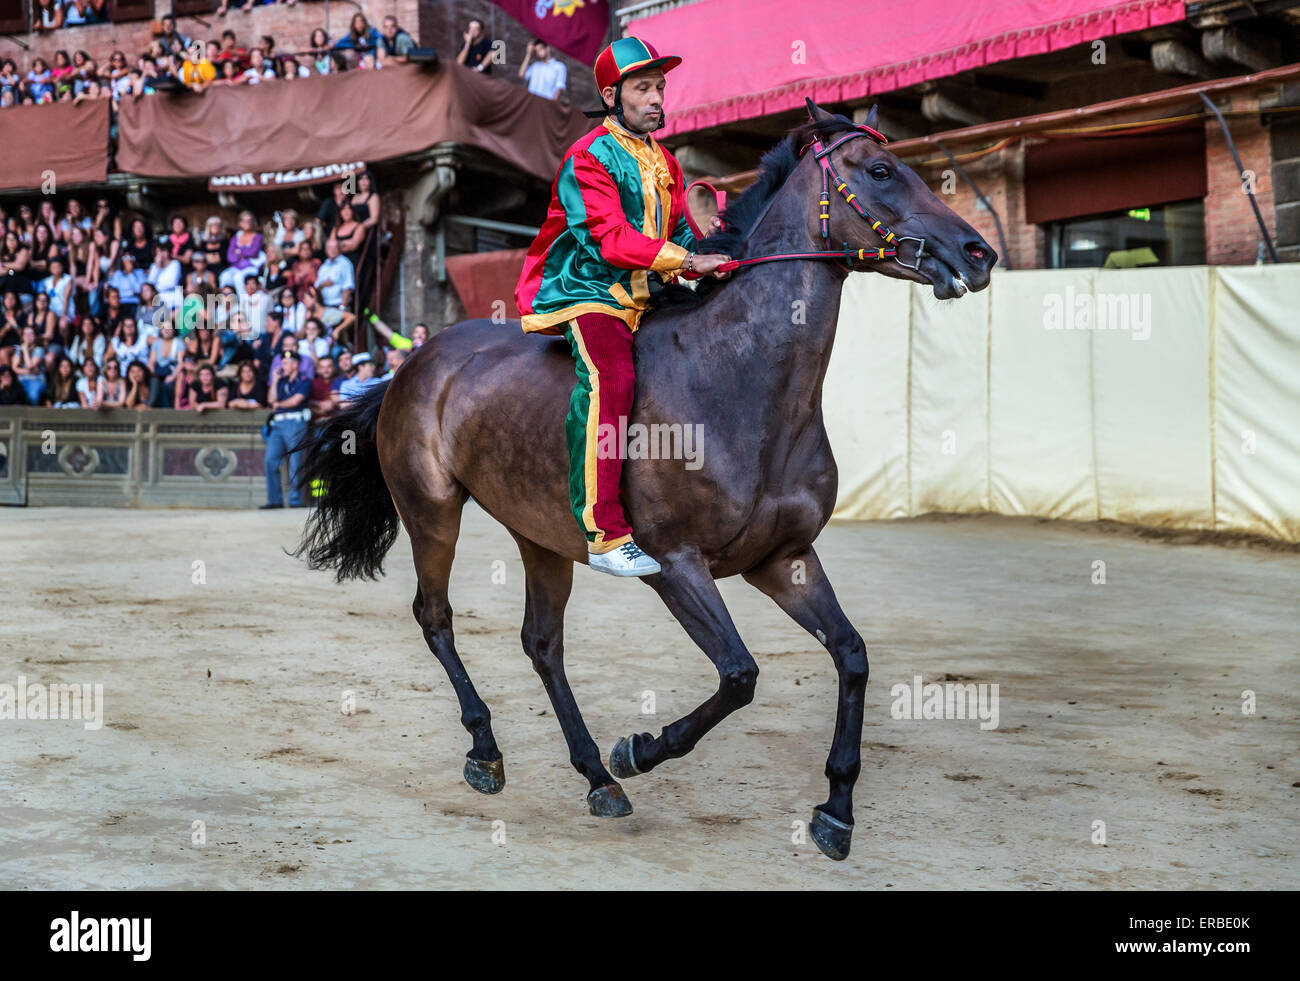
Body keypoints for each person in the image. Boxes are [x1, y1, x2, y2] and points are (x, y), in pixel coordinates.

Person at [514, 37, 731, 576]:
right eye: (644, 88)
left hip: (647, 288)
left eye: (660, 87)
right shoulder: (587, 155)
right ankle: (604, 532)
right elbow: (609, 240)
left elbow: (678, 228)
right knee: (611, 378)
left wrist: (707, 259)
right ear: (612, 95)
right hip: (588, 287)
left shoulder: (666, 161)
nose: (657, 97)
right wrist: (682, 259)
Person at [262, 349, 311, 508]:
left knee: (295, 463)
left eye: (287, 362)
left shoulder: (304, 380)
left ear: (296, 364)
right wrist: (275, 380)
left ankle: (295, 500)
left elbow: (296, 401)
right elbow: (271, 399)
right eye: (282, 362)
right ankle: (275, 500)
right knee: (270, 460)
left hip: (295, 422)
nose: (283, 365)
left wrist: (278, 405)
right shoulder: (281, 381)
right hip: (278, 424)